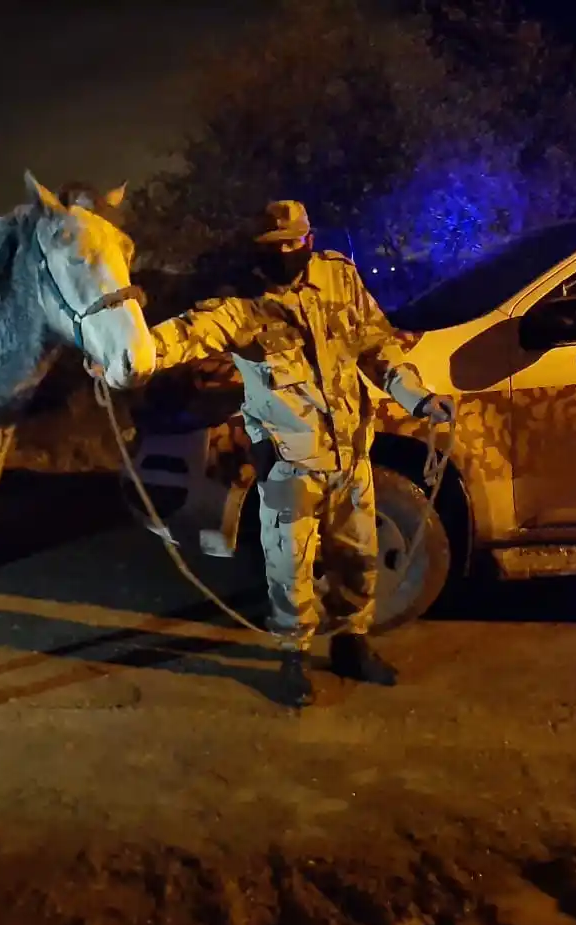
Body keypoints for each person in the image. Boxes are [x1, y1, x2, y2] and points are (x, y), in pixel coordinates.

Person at [148, 201, 454, 707]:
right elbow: (176, 338)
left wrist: (417, 398)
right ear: (258, 250)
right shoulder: (240, 307)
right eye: (276, 246)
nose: (288, 252)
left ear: (309, 239)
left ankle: (352, 646)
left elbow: (378, 348)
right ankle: (293, 657)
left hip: (352, 457)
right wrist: (120, 354)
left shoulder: (338, 279)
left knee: (360, 558)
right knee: (290, 568)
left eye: (296, 242)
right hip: (290, 463)